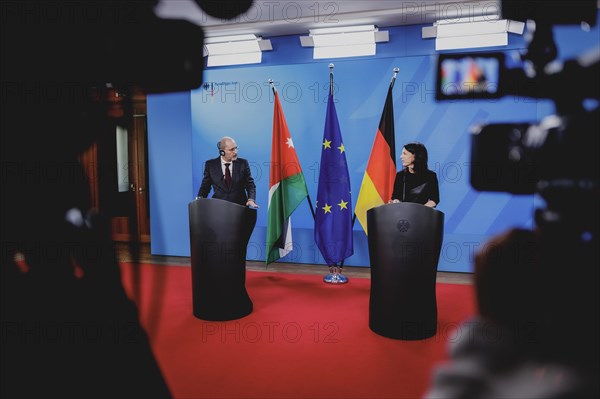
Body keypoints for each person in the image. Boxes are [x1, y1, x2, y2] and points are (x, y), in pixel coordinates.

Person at [197, 136, 259, 208]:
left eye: (236, 148)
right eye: (232, 149)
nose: (235, 152)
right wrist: (199, 201)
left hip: (240, 209)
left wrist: (251, 199)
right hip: (219, 209)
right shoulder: (210, 165)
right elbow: (205, 186)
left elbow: (250, 184)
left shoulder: (243, 163)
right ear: (222, 152)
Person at [390, 142, 439, 207]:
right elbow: (396, 196)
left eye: (405, 154)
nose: (401, 157)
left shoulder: (431, 176)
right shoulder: (400, 175)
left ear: (416, 155)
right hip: (403, 214)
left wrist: (420, 210)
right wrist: (395, 201)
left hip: (422, 214)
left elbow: (434, 199)